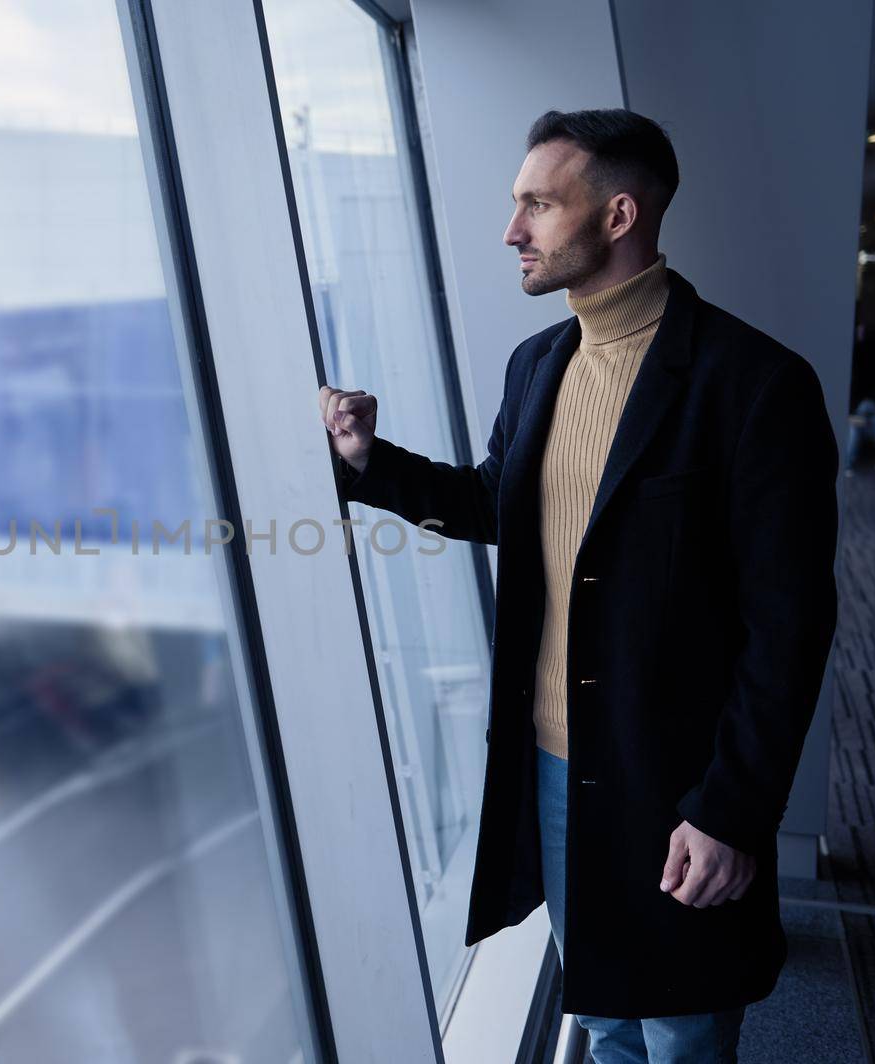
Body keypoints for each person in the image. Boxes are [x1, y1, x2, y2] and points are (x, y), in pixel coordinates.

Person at [320, 108, 838, 1062]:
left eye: (537, 205)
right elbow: (496, 505)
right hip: (554, 766)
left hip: (678, 777)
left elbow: (791, 624)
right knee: (600, 1014)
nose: (512, 230)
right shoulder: (539, 364)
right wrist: (366, 461)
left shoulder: (756, 383)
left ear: (617, 214)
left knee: (682, 1031)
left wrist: (732, 806)